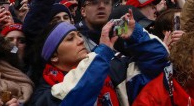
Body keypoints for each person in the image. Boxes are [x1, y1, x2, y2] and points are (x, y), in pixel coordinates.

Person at [30, 8, 168, 105]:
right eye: (70, 39)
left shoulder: (110, 67)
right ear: (54, 56)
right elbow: (76, 93)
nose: (80, 40)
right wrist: (102, 53)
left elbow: (159, 63)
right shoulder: (43, 96)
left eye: (79, 35)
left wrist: (136, 36)